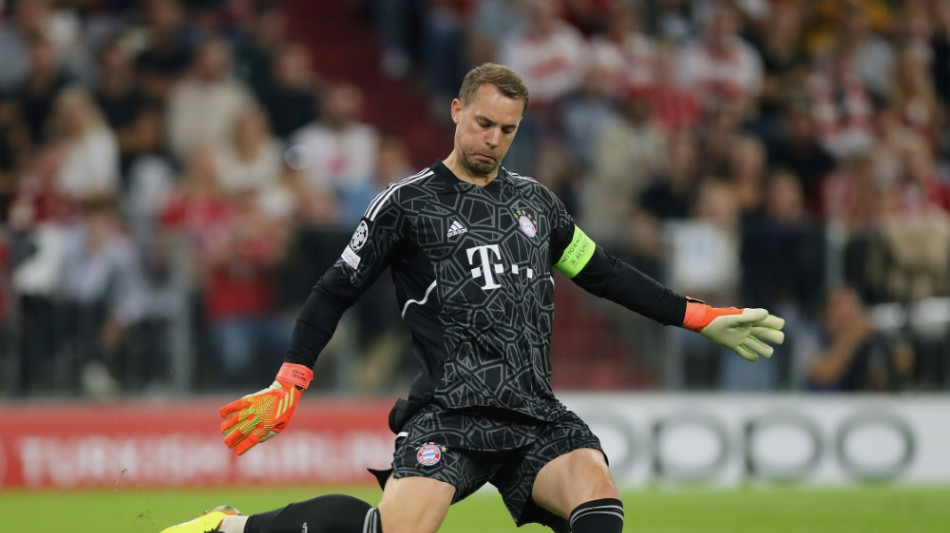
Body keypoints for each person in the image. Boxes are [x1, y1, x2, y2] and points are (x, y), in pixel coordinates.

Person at [161, 63, 785, 533]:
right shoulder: (406, 204)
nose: (492, 138)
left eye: (507, 130)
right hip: (450, 413)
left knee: (600, 504)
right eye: (483, 122)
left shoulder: (536, 205)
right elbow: (333, 290)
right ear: (457, 111)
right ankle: (234, 526)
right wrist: (290, 379)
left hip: (533, 412)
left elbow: (603, 273)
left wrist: (701, 317)